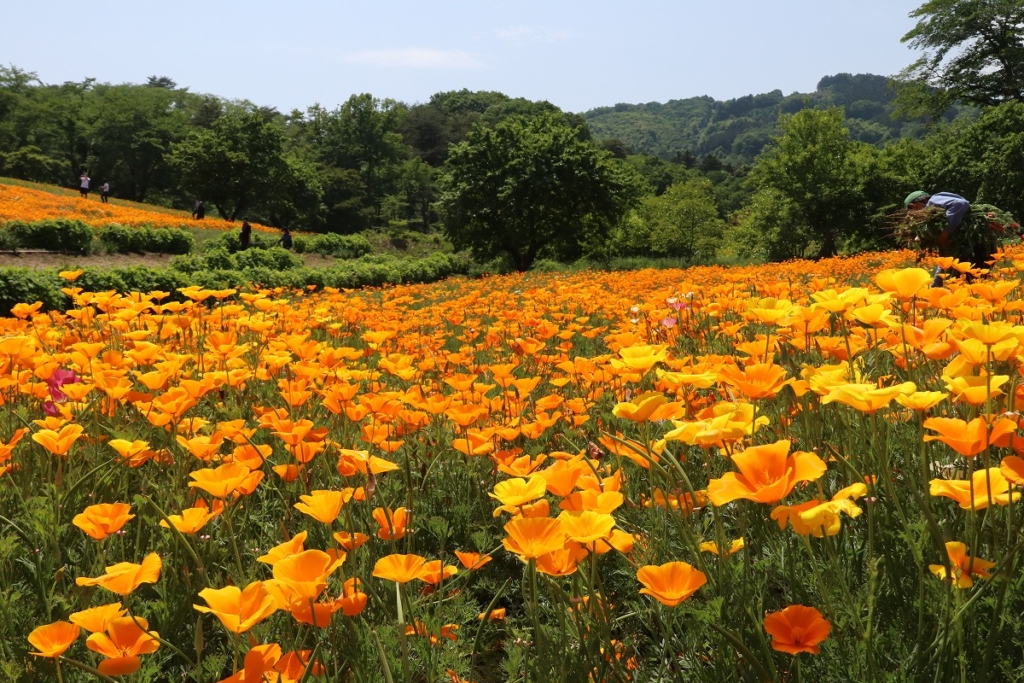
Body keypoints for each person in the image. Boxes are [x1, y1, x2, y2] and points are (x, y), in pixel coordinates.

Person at [904, 190, 989, 286]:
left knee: (971, 286)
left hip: (975, 248)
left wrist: (945, 233)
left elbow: (961, 204)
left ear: (913, 206)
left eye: (914, 214)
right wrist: (935, 286)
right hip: (976, 252)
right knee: (969, 286)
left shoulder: (933, 201)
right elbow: (945, 260)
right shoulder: (936, 222)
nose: (916, 218)